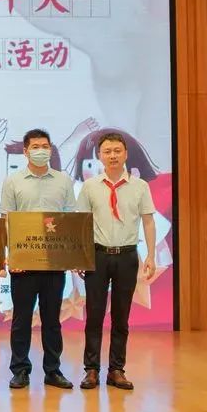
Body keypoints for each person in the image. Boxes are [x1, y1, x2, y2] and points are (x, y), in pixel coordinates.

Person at [76, 132, 157, 391]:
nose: (112, 156)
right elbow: (81, 223)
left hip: (127, 256)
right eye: (107, 151)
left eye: (117, 151)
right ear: (100, 156)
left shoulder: (140, 187)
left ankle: (116, 369)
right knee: (94, 316)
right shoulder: (90, 186)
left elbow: (148, 221)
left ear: (126, 154)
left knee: (122, 317)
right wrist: (81, 256)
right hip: (97, 256)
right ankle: (91, 370)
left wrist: (151, 255)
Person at [0, 128, 77, 390]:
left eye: (45, 146)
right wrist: (11, 255)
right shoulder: (13, 181)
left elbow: (70, 220)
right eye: (35, 147)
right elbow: (6, 221)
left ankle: (53, 370)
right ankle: (20, 370)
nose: (41, 151)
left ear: (51, 149)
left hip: (54, 262)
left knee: (52, 320)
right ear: (26, 151)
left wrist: (70, 256)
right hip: (23, 263)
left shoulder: (63, 181)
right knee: (21, 319)